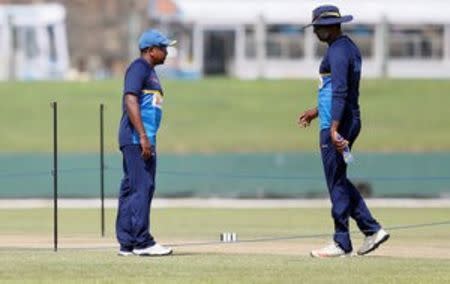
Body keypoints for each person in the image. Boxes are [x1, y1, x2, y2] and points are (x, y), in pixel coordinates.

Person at [298, 5, 389, 257]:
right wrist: (315, 111)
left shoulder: (338, 52)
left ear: (331, 26)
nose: (315, 33)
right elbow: (337, 90)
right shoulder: (347, 48)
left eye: (318, 28)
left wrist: (334, 128)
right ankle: (371, 230)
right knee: (338, 179)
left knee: (336, 182)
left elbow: (340, 90)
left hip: (337, 122)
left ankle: (342, 242)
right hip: (342, 118)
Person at [116, 29, 176, 256]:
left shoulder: (148, 71)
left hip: (141, 139)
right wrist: (142, 136)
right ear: (151, 51)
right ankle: (143, 242)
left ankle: (127, 243)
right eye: (163, 48)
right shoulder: (139, 68)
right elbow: (130, 99)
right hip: (136, 139)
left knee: (132, 189)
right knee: (142, 187)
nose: (167, 52)